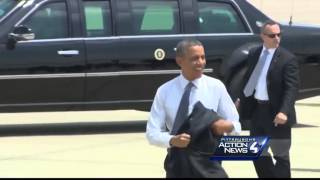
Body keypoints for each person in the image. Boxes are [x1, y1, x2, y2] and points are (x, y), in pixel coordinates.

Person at [146, 39, 241, 178]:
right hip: (177, 163)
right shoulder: (164, 91)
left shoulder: (216, 87)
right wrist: (172, 140)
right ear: (180, 61)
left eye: (203, 57)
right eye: (195, 58)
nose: (201, 62)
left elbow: (236, 124)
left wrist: (228, 127)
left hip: (209, 164)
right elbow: (152, 133)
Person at [238, 20, 299, 178]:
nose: (277, 38)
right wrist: (242, 99)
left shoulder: (288, 58)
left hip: (277, 114)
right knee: (257, 153)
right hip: (258, 111)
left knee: (281, 155)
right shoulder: (254, 54)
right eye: (272, 35)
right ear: (263, 36)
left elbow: (291, 89)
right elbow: (250, 80)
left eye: (279, 34)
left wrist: (284, 111)